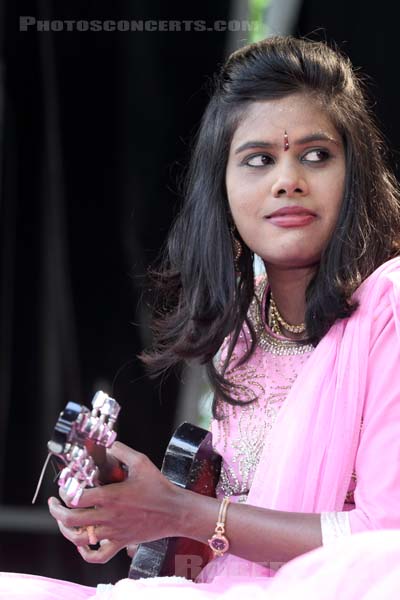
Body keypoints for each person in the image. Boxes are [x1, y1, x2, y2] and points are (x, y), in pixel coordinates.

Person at [2, 35, 400, 599]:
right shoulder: (244, 328)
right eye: (259, 160)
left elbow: (386, 544)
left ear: (354, 174)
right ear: (223, 188)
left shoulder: (390, 309)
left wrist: (183, 513)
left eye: (315, 155)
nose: (288, 180)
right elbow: (220, 537)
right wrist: (140, 521)